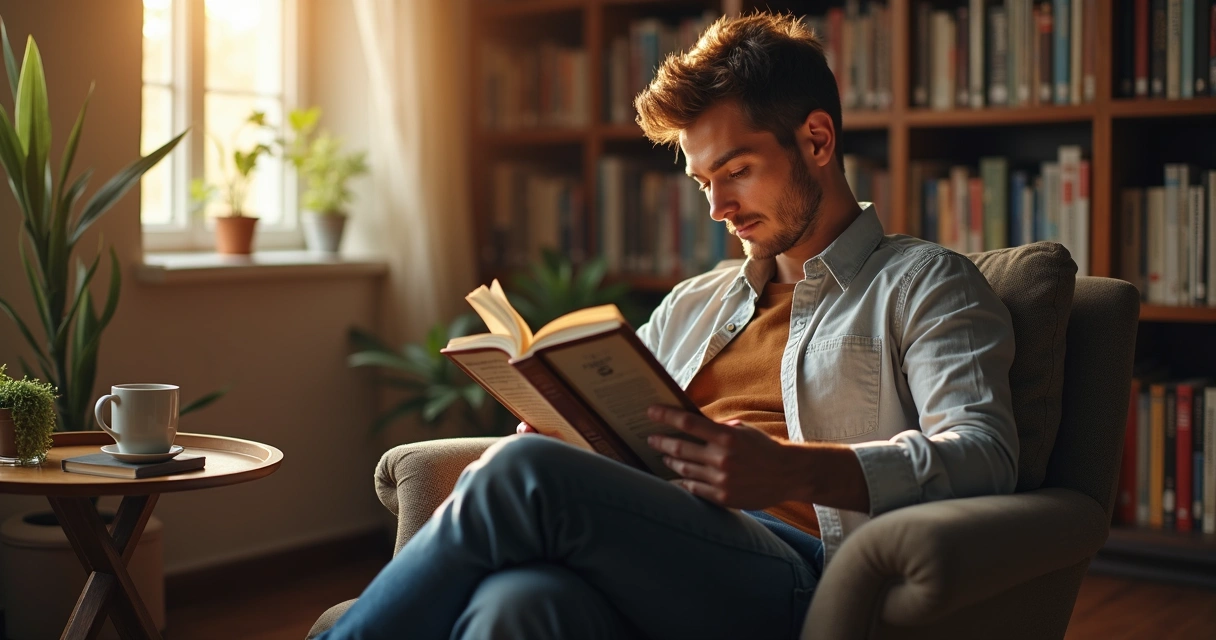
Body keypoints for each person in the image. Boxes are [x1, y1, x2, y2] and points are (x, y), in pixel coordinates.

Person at [317, 12, 1017, 640]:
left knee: (522, 473)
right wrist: (571, 433)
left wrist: (786, 469)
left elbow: (985, 456)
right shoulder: (693, 304)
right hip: (656, 552)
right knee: (520, 603)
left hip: (804, 573)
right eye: (703, 181)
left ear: (817, 139)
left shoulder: (925, 283)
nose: (718, 207)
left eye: (736, 171)